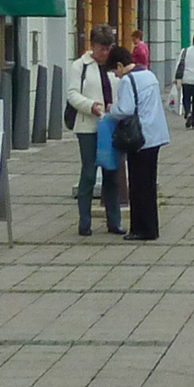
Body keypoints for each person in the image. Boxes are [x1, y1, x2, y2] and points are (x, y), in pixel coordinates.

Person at [111, 43, 171, 240]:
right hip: (155, 135)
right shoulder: (149, 75)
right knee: (149, 184)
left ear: (120, 65)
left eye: (115, 71)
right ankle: (150, 227)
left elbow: (126, 109)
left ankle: (140, 229)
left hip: (139, 138)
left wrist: (111, 109)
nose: (116, 75)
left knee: (137, 185)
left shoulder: (127, 81)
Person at [67, 23, 122, 237]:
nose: (105, 53)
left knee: (112, 173)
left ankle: (114, 221)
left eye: (108, 48)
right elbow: (72, 94)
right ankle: (84, 222)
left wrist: (116, 108)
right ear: (92, 46)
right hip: (88, 126)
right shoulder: (80, 66)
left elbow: (121, 88)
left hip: (110, 125)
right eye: (101, 48)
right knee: (89, 173)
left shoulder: (114, 66)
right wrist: (90, 106)